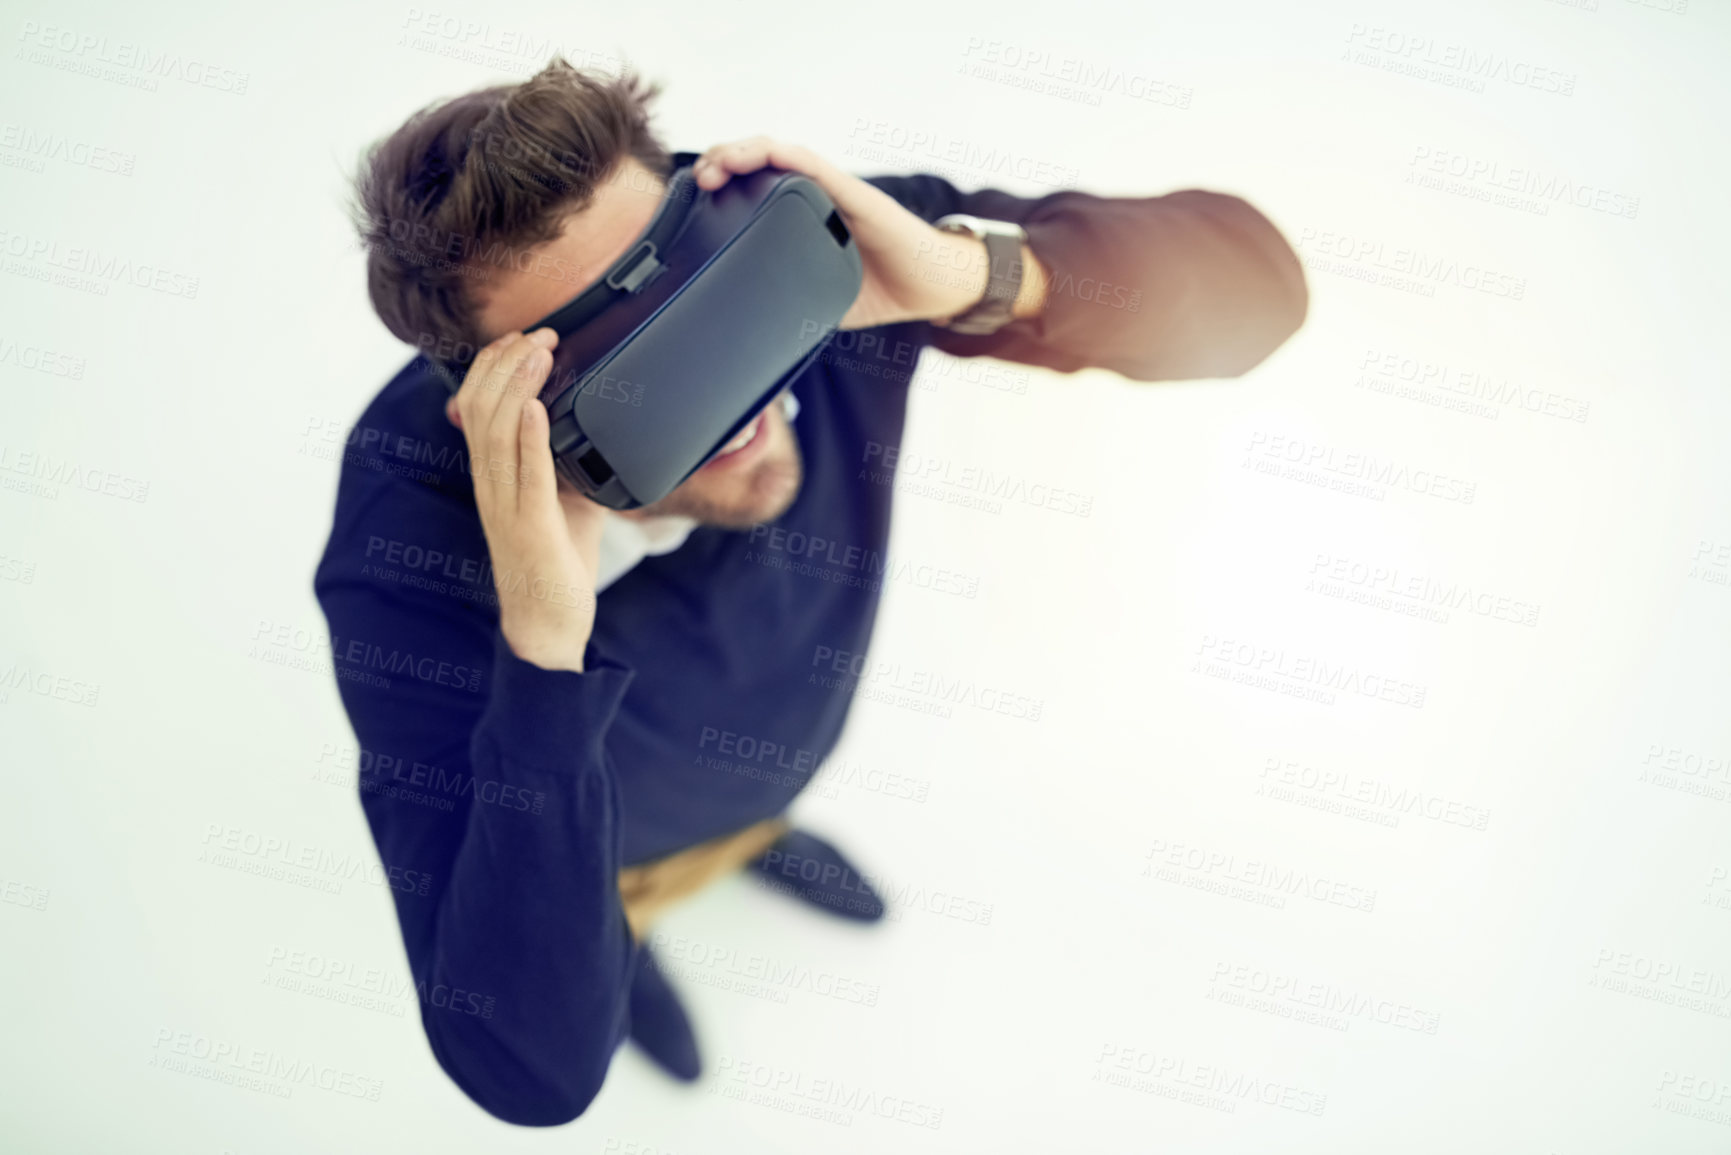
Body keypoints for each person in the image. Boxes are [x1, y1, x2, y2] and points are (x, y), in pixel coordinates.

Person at [313, 56, 1307, 1127]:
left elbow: (1259, 297)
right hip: (602, 833)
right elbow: (528, 1068)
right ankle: (630, 940)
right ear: (501, 409)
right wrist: (544, 644)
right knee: (588, 927)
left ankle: (762, 830)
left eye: (705, 296)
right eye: (633, 374)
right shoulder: (405, 537)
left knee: (766, 788)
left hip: (794, 726)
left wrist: (971, 275)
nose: (739, 406)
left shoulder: (820, 262)